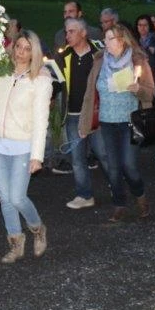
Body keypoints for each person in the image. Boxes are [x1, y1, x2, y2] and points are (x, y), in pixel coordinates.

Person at [0, 30, 52, 264]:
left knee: (17, 197)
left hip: (22, 145)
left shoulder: (41, 80)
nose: (21, 52)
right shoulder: (2, 73)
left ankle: (37, 228)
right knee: (5, 198)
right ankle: (15, 242)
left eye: (27, 48)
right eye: (18, 46)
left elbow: (41, 120)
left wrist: (37, 156)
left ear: (34, 53)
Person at [79, 24, 155, 222]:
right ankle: (119, 204)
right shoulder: (99, 61)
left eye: (109, 38)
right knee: (113, 168)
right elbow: (89, 95)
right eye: (105, 38)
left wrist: (138, 89)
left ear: (122, 40)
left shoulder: (137, 61)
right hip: (107, 122)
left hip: (130, 122)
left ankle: (140, 195)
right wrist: (84, 124)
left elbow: (150, 93)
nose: (105, 41)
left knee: (129, 166)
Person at [53, 18, 109, 198]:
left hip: (95, 114)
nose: (67, 35)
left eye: (72, 31)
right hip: (73, 115)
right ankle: (84, 195)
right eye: (66, 32)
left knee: (103, 153)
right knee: (77, 159)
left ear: (83, 33)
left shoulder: (99, 55)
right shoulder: (63, 56)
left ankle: (116, 186)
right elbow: (57, 83)